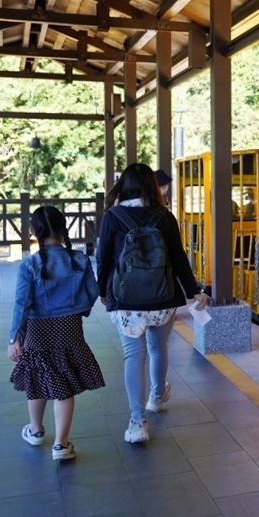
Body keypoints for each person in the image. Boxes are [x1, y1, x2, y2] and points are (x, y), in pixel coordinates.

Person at [97, 163, 208, 444]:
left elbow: (103, 258)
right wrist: (193, 291)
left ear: (125, 186)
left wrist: (102, 291)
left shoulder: (113, 216)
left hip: (127, 300)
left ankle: (137, 422)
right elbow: (178, 258)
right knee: (158, 348)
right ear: (151, 186)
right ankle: (157, 397)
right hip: (162, 299)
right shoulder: (164, 216)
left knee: (134, 356)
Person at [9, 206, 105, 461]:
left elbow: (22, 303)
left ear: (32, 231)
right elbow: (92, 292)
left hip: (37, 330)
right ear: (64, 229)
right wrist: (76, 311)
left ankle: (36, 430)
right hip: (69, 328)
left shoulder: (30, 264)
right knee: (64, 382)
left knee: (37, 377)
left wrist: (14, 337)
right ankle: (61, 445)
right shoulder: (80, 260)